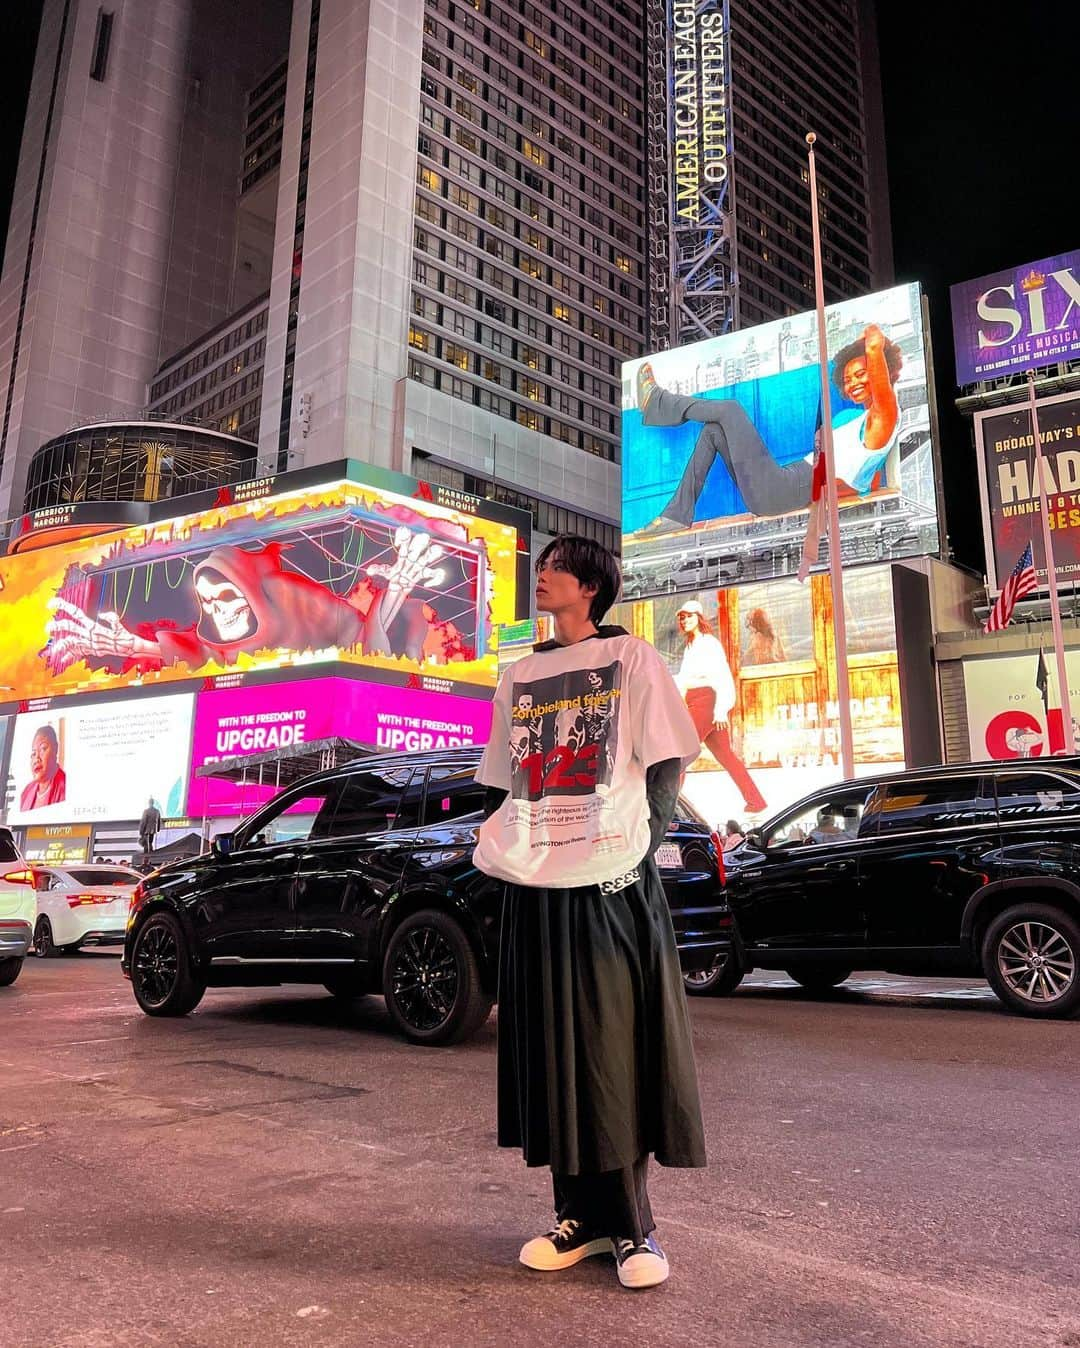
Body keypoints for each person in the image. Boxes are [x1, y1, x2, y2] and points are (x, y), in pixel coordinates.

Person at [474, 535, 706, 1291]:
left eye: (556, 567)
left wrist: (643, 843)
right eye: (541, 566)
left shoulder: (633, 659)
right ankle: (575, 1216)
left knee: (611, 1052)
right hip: (537, 888)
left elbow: (669, 758)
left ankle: (634, 1230)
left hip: (610, 885)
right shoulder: (523, 672)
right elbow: (504, 782)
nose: (541, 575)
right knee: (551, 1049)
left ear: (592, 586)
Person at [635, 324, 903, 532]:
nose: (852, 383)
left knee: (730, 410)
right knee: (714, 431)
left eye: (861, 374)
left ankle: (657, 402)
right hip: (785, 483)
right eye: (847, 379)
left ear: (883, 370)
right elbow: (867, 477)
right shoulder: (851, 419)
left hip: (793, 489)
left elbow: (874, 348)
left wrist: (871, 341)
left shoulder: (883, 417)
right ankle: (676, 515)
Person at [673, 600, 767, 815]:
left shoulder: (709, 643)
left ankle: (671, 806)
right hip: (697, 701)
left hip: (707, 701)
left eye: (689, 616)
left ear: (699, 617)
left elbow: (721, 675)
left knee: (680, 752)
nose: (685, 620)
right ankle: (756, 801)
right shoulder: (691, 645)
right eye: (682, 617)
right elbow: (685, 679)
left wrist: (721, 709)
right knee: (726, 755)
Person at [19, 724, 67, 811]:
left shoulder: (66, 788)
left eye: (43, 749)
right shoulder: (26, 792)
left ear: (55, 749)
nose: (36, 759)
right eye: (33, 754)